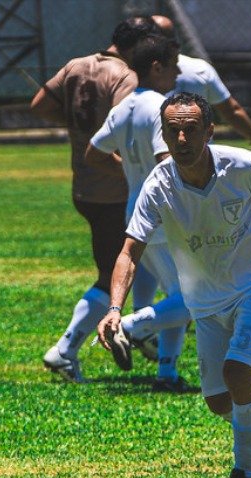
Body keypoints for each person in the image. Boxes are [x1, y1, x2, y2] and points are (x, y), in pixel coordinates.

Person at [98, 92, 251, 478]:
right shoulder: (159, 185)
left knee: (239, 373)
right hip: (206, 299)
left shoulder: (241, 165)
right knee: (220, 401)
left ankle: (245, 476)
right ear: (163, 135)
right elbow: (130, 250)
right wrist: (114, 309)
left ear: (209, 131)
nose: (181, 139)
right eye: (173, 131)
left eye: (191, 129)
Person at [31, 17, 158, 382]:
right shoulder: (125, 78)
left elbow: (40, 103)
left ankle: (149, 333)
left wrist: (78, 126)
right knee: (112, 274)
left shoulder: (77, 65)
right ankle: (65, 349)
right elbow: (127, 122)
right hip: (113, 189)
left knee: (142, 263)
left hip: (83, 184)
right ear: (138, 45)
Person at [82, 33, 196, 392]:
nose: (178, 73)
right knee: (196, 300)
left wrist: (132, 176)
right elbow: (168, 163)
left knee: (180, 295)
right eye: (173, 65)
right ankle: (127, 328)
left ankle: (167, 372)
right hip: (164, 215)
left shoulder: (125, 106)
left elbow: (94, 154)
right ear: (157, 67)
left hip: (135, 212)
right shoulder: (160, 107)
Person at [150, 14, 251, 165]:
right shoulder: (200, 69)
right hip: (202, 163)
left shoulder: (136, 75)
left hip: (154, 164)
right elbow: (232, 110)